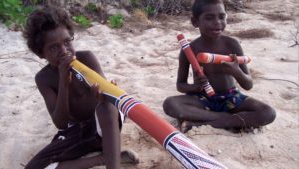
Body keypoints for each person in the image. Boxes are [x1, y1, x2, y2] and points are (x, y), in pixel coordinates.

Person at [23, 6, 138, 169]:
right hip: (77, 132)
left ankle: (113, 164)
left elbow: (106, 99)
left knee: (107, 107)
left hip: (103, 128)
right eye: (53, 48)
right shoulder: (43, 79)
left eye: (67, 42)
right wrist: (63, 81)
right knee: (34, 167)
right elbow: (61, 123)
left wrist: (102, 96)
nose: (64, 51)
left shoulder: (87, 58)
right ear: (41, 54)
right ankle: (104, 158)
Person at [163, 0, 276, 133]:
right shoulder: (189, 49)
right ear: (195, 22)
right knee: (170, 104)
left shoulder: (232, 44)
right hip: (202, 99)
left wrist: (237, 72)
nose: (217, 22)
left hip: (231, 98)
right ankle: (224, 119)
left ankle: (205, 122)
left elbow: (248, 85)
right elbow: (180, 85)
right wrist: (195, 87)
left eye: (222, 17)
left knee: (268, 113)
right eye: (209, 18)